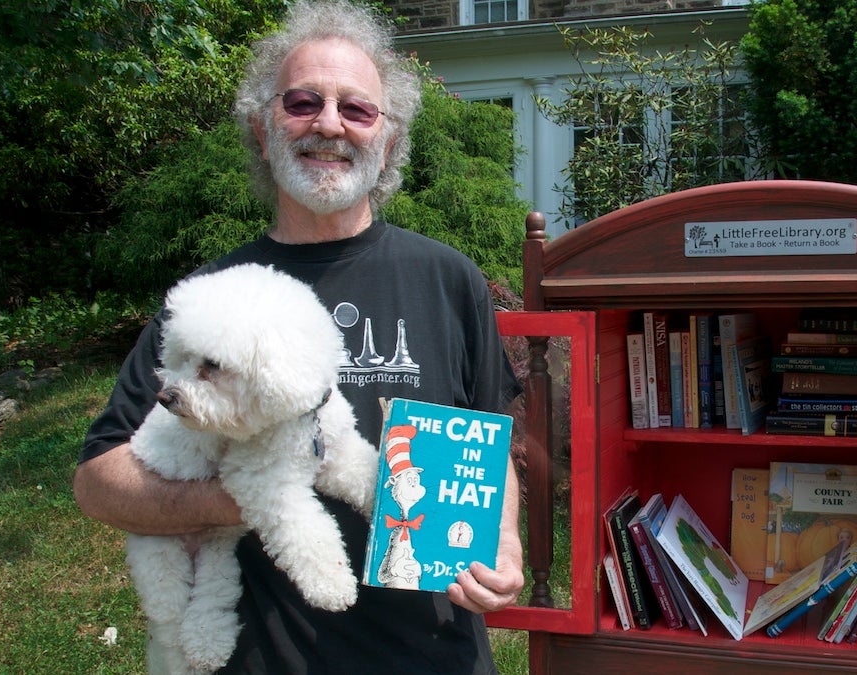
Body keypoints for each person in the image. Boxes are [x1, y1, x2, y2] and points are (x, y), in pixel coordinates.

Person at [72, 1, 525, 672]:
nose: (329, 124)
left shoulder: (448, 278)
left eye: (358, 109)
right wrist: (255, 491)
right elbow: (98, 483)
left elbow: (489, 439)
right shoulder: (209, 299)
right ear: (261, 130)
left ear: (390, 139)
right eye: (303, 101)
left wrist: (505, 537)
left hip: (434, 653)